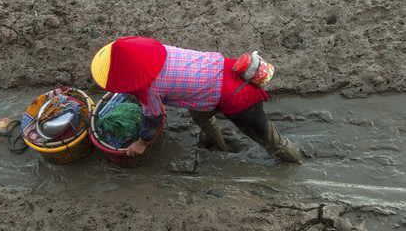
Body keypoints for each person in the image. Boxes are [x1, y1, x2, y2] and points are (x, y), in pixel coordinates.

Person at [90, 36, 303, 163]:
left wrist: (141, 143)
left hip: (238, 97)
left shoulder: (148, 88)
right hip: (216, 75)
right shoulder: (159, 51)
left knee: (271, 141)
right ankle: (220, 145)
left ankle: (295, 163)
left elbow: (152, 119)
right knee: (200, 118)